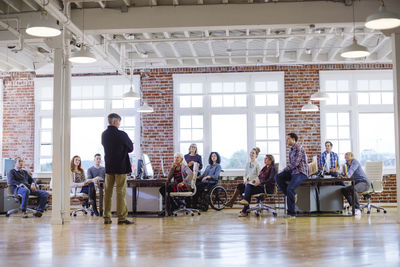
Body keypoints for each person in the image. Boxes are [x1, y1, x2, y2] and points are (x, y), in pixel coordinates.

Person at [102, 113, 134, 225]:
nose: (119, 124)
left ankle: (107, 217)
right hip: (121, 167)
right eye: (119, 122)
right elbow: (131, 148)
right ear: (115, 121)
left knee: (107, 193)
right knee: (120, 192)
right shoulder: (122, 134)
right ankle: (122, 218)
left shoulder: (104, 134)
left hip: (109, 167)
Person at [275, 133, 308, 217]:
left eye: (288, 139)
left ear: (293, 139)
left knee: (290, 189)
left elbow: (295, 163)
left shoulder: (299, 148)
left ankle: (291, 213)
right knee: (277, 177)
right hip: (293, 172)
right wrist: (283, 171)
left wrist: (284, 169)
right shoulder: (291, 150)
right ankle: (293, 195)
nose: (287, 141)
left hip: (301, 172)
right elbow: (291, 164)